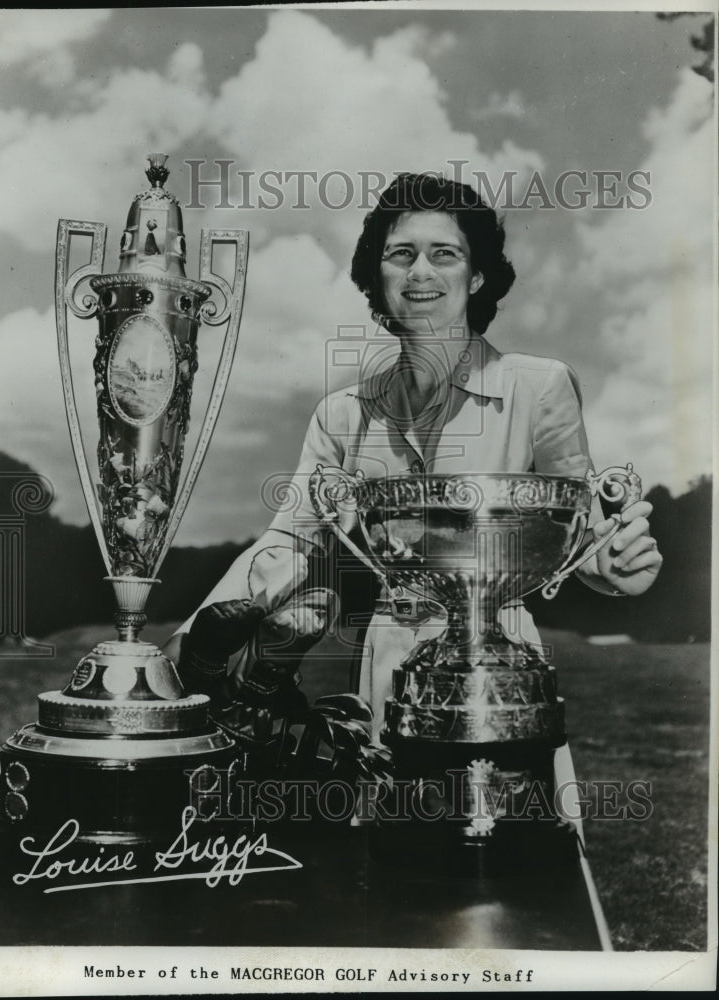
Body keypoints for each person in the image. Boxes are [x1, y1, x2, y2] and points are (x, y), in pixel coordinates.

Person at [164, 173, 662, 754]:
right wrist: (181, 647)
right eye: (402, 254)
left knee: (510, 834)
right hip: (388, 660)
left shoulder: (539, 387)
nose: (421, 271)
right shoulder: (341, 415)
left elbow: (575, 531)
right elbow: (290, 545)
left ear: (476, 276)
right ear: (379, 276)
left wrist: (614, 565)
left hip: (504, 662)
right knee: (393, 840)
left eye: (443, 254)